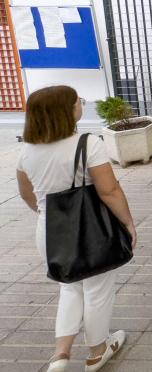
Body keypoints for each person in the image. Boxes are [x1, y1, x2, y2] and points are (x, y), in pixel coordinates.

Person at [16, 86, 136, 372]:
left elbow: (26, 195)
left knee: (69, 287)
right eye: (78, 101)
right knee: (97, 289)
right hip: (91, 231)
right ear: (66, 111)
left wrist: (48, 215)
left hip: (49, 231)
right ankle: (97, 352)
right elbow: (109, 191)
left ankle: (61, 354)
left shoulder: (27, 150)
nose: (81, 104)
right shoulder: (87, 144)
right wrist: (128, 222)